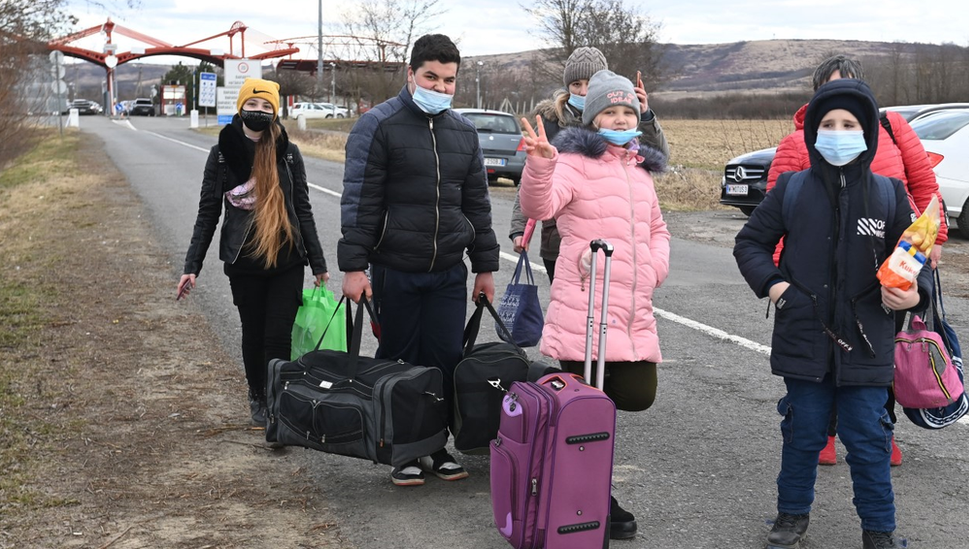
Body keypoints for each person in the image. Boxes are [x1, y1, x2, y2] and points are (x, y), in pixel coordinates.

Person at [734, 78, 933, 549]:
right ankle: (791, 516)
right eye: (828, 123)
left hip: (869, 343)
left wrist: (914, 295)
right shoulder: (792, 189)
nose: (838, 131)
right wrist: (777, 286)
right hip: (804, 337)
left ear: (866, 133)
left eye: (849, 124)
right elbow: (751, 244)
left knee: (869, 441)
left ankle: (879, 530)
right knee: (802, 432)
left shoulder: (889, 194)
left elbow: (915, 262)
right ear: (813, 133)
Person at [766, 54, 947, 466]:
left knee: (878, 353)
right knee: (819, 358)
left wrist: (935, 241)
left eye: (849, 85)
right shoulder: (798, 143)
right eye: (831, 87)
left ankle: (880, 427)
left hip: (888, 267)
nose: (840, 96)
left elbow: (924, 186)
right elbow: (778, 215)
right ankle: (822, 431)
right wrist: (781, 282)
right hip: (817, 276)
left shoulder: (891, 129)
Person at [337, 34, 499, 487]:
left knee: (446, 359)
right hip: (396, 270)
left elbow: (477, 208)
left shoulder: (464, 134)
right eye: (432, 77)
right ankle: (402, 449)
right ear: (411, 74)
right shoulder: (377, 126)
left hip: (448, 271)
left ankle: (435, 445)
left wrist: (484, 267)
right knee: (400, 360)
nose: (441, 87)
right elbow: (360, 203)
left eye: (449, 80)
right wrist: (354, 267)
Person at [518, 69, 670, 540]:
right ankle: (591, 499)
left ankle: (544, 388)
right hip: (585, 306)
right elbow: (540, 208)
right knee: (588, 411)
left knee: (638, 393)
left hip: (630, 309)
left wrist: (653, 269)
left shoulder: (640, 168)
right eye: (610, 111)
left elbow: (658, 229)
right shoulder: (572, 162)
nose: (620, 118)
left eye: (627, 111)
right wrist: (541, 164)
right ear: (592, 117)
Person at [179, 78, 329, 426]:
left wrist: (318, 262)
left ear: (275, 112)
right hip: (244, 261)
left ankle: (278, 406)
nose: (258, 112)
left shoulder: (288, 153)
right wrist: (192, 266)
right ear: (241, 107)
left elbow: (302, 208)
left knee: (278, 336)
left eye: (266, 107)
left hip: (286, 258)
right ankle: (257, 395)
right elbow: (208, 213)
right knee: (254, 333)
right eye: (252, 105)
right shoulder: (222, 154)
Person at [509, 47, 671, 282]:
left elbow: (657, 158)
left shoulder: (619, 122)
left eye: (589, 83)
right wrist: (519, 228)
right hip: (560, 236)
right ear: (568, 86)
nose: (583, 91)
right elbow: (533, 176)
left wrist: (645, 116)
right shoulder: (551, 122)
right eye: (576, 85)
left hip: (616, 238)